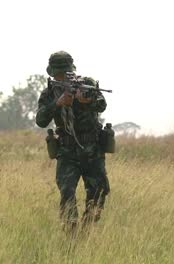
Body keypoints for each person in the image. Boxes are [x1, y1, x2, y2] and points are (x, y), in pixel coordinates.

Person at [36, 51, 110, 231]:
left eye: (66, 73)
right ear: (53, 74)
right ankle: (71, 237)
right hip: (67, 152)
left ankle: (86, 229)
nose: (63, 77)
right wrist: (57, 103)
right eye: (59, 74)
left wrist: (86, 100)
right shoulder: (49, 93)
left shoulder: (88, 84)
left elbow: (102, 104)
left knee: (98, 194)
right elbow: (40, 120)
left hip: (92, 150)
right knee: (67, 194)